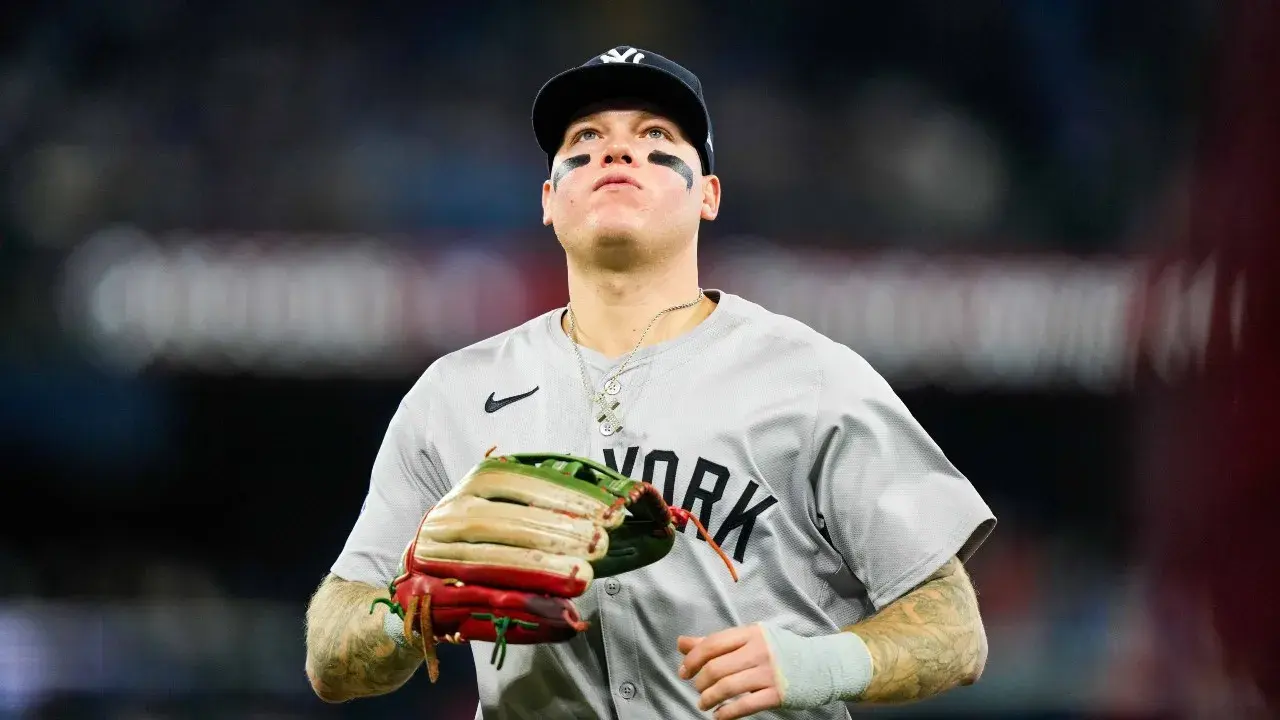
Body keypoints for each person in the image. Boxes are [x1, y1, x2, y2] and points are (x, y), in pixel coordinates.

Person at [304, 46, 997, 720]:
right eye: (586, 138)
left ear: (709, 197)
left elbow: (954, 630)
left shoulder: (813, 379)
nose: (616, 150)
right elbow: (331, 652)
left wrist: (822, 665)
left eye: (656, 136)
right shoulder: (451, 396)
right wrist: (414, 613)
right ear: (549, 199)